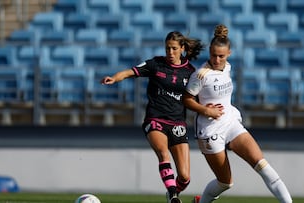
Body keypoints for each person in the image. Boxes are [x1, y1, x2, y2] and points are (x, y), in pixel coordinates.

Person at [183, 24, 293, 203]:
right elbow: (186, 99)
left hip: (230, 122)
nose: (217, 60)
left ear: (229, 54)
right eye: (213, 55)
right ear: (209, 52)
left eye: (221, 56)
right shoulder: (201, 75)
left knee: (262, 165)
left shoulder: (227, 67)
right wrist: (206, 110)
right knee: (225, 183)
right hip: (210, 131)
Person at [101, 31, 204, 203]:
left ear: (182, 49)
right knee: (163, 153)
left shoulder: (190, 72)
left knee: (185, 177)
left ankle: (173, 192)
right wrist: (114, 78)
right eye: (167, 48)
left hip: (178, 122)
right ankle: (172, 195)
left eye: (174, 49)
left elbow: (197, 98)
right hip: (155, 118)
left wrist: (208, 108)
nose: (170, 52)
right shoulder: (156, 64)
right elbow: (129, 72)